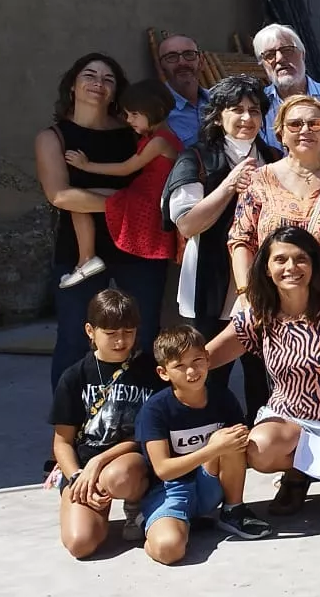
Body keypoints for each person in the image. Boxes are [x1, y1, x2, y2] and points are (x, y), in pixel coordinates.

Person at [206, 226, 320, 525]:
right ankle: (298, 471)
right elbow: (202, 360)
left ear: (314, 264)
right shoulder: (259, 316)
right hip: (287, 426)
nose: (291, 268)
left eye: (301, 259)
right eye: (280, 260)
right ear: (266, 267)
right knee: (260, 447)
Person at [36, 53, 168, 383]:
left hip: (138, 245)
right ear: (72, 86)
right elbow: (60, 196)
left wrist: (107, 203)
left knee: (144, 334)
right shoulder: (53, 138)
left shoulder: (135, 134)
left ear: (116, 92)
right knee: (74, 337)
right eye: (90, 75)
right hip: (78, 252)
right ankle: (69, 427)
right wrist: (128, 205)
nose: (99, 83)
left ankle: (141, 419)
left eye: (108, 79)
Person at [163, 75, 280, 406]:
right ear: (218, 115)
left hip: (262, 281)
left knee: (263, 371)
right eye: (236, 110)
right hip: (212, 280)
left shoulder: (273, 156)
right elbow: (187, 224)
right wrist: (229, 184)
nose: (246, 118)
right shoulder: (195, 158)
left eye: (254, 110)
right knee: (210, 369)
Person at [133, 324, 273, 563]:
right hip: (170, 491)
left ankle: (233, 509)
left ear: (208, 359)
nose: (191, 371)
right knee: (170, 550)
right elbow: (163, 470)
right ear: (163, 372)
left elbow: (236, 444)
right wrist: (212, 449)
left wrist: (223, 447)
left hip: (210, 485)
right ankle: (159, 524)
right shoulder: (155, 409)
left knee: (231, 438)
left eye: (197, 360)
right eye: (179, 366)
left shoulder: (222, 396)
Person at [228, 92, 320, 306]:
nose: (305, 130)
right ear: (281, 134)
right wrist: (246, 293)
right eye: (295, 124)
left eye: (315, 123)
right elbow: (241, 240)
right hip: (270, 303)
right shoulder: (259, 180)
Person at [50, 288, 153, 558]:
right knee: (80, 544)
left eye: (128, 332)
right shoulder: (73, 377)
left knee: (117, 476)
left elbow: (148, 434)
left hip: (128, 461)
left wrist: (98, 463)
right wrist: (75, 478)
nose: (121, 341)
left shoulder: (150, 370)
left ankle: (135, 507)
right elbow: (62, 442)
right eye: (111, 334)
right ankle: (94, 514)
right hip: (83, 468)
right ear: (90, 331)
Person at [60, 78, 181, 289]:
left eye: (134, 114)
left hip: (144, 202)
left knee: (74, 200)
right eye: (127, 114)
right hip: (141, 194)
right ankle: (87, 259)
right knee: (78, 197)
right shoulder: (163, 136)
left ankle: (86, 259)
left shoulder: (159, 141)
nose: (129, 120)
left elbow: (126, 168)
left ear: (156, 110)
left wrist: (86, 165)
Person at [251, 23, 320, 146]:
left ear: (303, 54)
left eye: (287, 50)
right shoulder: (257, 104)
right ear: (262, 64)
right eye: (270, 55)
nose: (280, 59)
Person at [153, 32, 208, 146]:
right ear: (160, 66)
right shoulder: (156, 113)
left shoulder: (222, 104)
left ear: (201, 62)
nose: (182, 62)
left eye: (189, 54)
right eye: (171, 57)